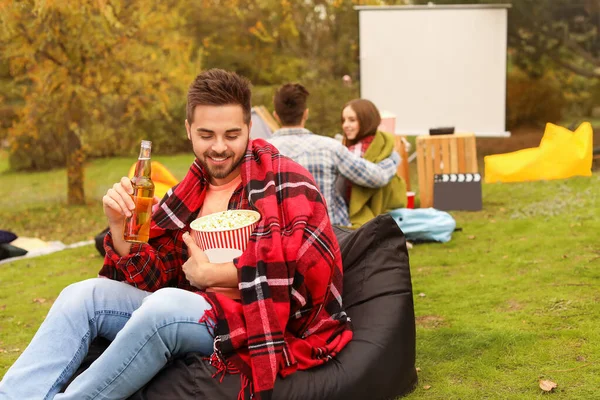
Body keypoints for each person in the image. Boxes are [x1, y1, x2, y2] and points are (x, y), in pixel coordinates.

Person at [0, 69, 352, 400]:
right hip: (188, 307)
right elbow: (151, 276)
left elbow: (308, 267)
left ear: (249, 127)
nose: (219, 147)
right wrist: (118, 225)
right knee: (82, 295)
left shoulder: (283, 180)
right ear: (188, 129)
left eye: (232, 134)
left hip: (250, 317)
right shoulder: (188, 191)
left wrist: (217, 274)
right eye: (206, 135)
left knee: (164, 306)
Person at [267, 83, 400, 227]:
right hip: (331, 234)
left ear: (276, 116)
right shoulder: (331, 148)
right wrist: (393, 158)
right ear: (306, 113)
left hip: (281, 233)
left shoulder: (260, 152)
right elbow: (376, 177)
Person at [340, 98, 407, 229]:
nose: (345, 125)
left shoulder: (353, 153)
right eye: (344, 120)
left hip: (359, 213)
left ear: (366, 121)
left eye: (352, 120)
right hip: (389, 210)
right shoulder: (385, 143)